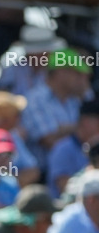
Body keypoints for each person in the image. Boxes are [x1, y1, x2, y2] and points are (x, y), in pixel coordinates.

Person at [21, 47, 91, 178]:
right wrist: (79, 128)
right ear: (61, 73)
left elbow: (91, 134)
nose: (82, 80)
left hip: (77, 170)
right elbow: (49, 141)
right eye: (78, 74)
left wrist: (64, 129)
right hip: (43, 175)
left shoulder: (76, 98)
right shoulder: (35, 99)